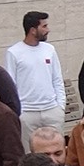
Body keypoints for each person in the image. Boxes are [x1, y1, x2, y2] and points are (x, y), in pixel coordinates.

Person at [5, 12, 65, 147]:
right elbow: (10, 85)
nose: (47, 30)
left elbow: (57, 79)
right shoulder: (13, 52)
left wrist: (60, 107)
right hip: (26, 113)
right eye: (44, 26)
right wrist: (19, 112)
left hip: (52, 111)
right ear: (33, 30)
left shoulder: (49, 49)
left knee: (56, 150)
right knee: (30, 154)